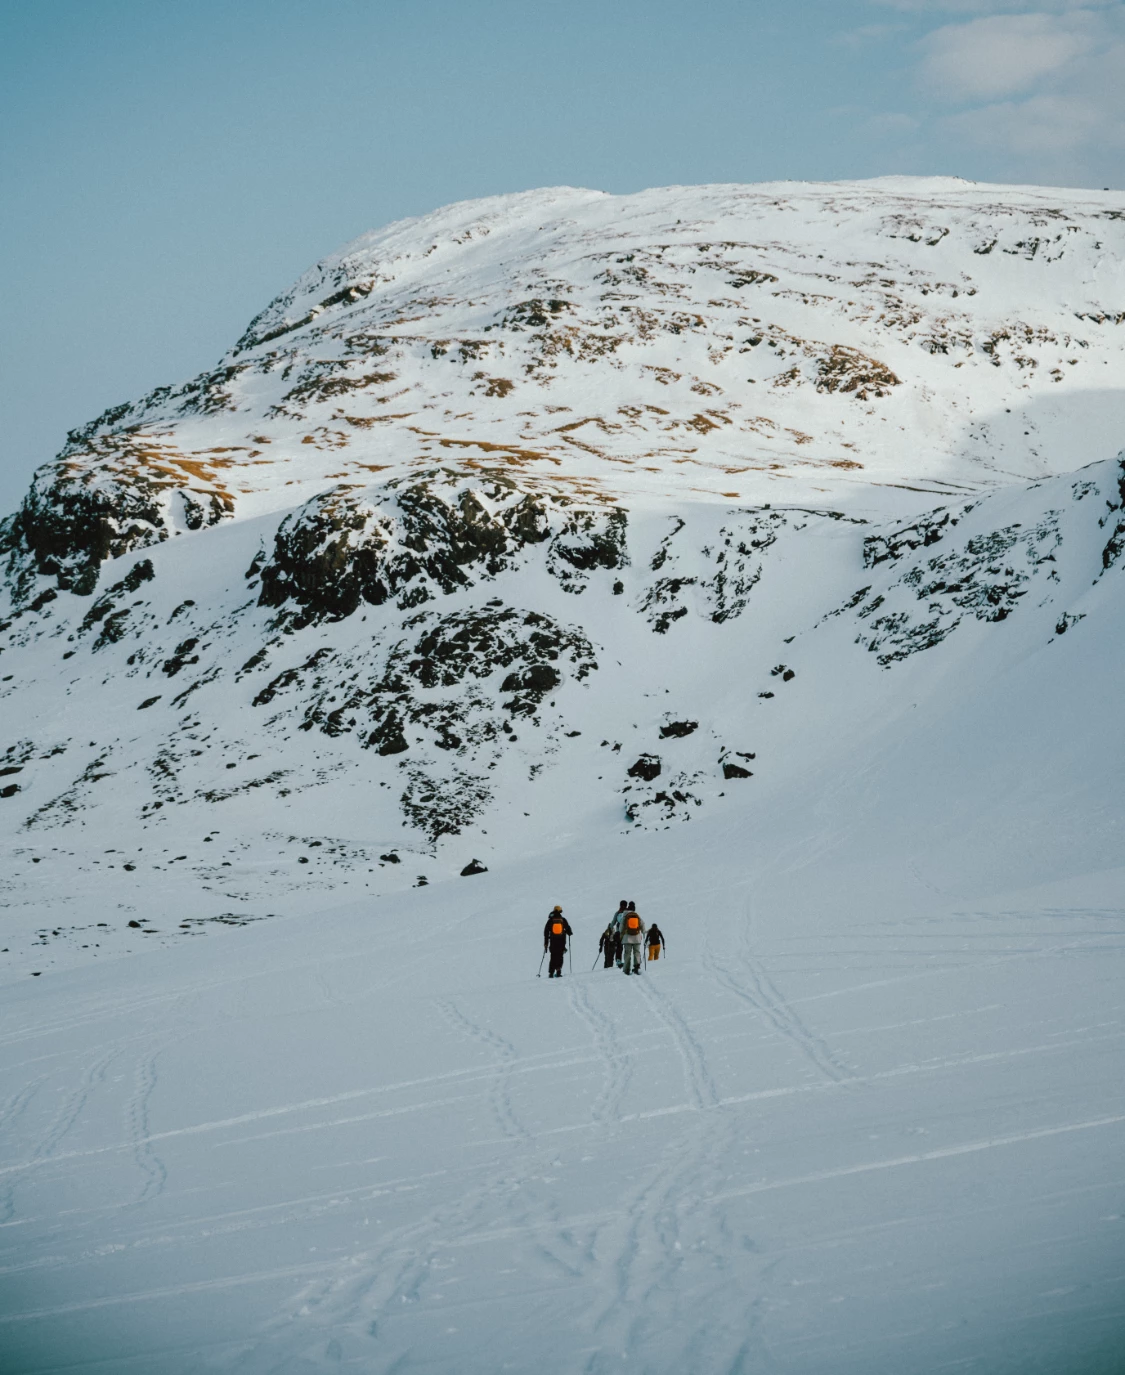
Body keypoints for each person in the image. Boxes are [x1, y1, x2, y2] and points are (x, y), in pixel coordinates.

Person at [543, 905, 573, 978]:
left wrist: (546, 942)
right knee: (560, 956)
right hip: (561, 941)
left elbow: (546, 932)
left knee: (553, 956)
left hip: (553, 941)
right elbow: (569, 930)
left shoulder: (550, 920)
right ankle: (558, 972)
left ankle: (551, 973)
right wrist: (568, 932)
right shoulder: (563, 920)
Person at [620, 900, 646, 975]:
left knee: (627, 953)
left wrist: (621, 934)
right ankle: (636, 967)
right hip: (637, 938)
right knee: (637, 952)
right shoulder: (636, 915)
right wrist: (643, 932)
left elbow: (621, 927)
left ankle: (626, 969)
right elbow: (642, 924)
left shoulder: (625, 915)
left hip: (627, 938)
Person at [609, 899, 628, 967]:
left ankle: (618, 960)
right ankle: (627, 960)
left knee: (619, 947)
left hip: (618, 933)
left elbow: (613, 922)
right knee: (627, 947)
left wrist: (610, 928)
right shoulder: (628, 912)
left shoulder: (617, 913)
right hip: (627, 932)